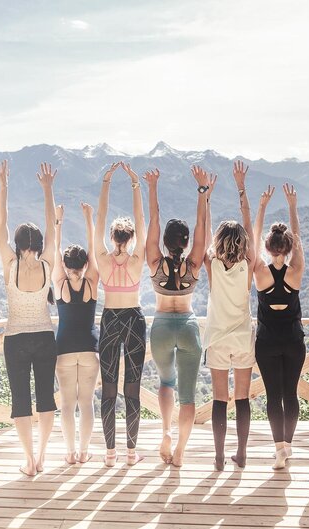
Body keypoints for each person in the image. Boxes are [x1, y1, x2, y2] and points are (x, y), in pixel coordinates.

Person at [144, 165, 214, 467]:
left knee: (165, 382)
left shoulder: (154, 262)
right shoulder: (193, 266)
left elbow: (153, 222)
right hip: (186, 324)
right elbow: (202, 227)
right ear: (185, 244)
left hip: (160, 325)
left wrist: (152, 187)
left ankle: (165, 430)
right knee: (187, 395)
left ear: (165, 242)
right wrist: (203, 192)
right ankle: (181, 451)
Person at [0, 160, 59, 476]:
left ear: (18, 244)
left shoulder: (10, 265)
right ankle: (44, 455)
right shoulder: (48, 263)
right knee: (46, 398)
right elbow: (52, 224)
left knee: (21, 400)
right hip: (45, 337)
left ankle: (29, 460)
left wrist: (4, 186)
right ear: (39, 244)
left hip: (16, 339)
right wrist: (47, 189)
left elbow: (0, 227)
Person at [202, 160, 255, 471]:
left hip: (218, 339)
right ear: (244, 243)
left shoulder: (212, 267)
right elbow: (247, 223)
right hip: (243, 338)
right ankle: (242, 453)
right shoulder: (247, 266)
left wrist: (207, 196)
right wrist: (241, 188)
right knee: (243, 399)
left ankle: (220, 455)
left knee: (221, 400)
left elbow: (207, 232)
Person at [94, 161, 148, 467]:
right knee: (133, 388)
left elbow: (99, 219)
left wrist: (106, 182)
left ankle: (110, 453)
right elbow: (142, 220)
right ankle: (130, 453)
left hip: (110, 318)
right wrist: (135, 184)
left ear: (113, 238)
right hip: (134, 320)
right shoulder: (137, 259)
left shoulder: (102, 257)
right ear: (129, 239)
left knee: (109, 387)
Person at [252, 181, 305, 470]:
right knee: (291, 394)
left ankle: (278, 450)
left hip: (267, 342)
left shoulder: (260, 272)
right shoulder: (296, 272)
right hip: (294, 340)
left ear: (268, 247)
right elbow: (297, 243)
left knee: (274, 396)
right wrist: (294, 208)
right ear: (288, 247)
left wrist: (260, 208)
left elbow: (252, 239)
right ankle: (289, 444)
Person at [52, 201, 100, 465]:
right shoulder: (92, 281)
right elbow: (94, 252)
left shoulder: (59, 282)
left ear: (66, 264)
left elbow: (56, 252)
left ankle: (70, 453)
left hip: (64, 349)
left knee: (67, 405)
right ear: (85, 264)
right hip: (90, 349)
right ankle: (83, 452)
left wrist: (59, 222)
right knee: (87, 403)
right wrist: (89, 219)